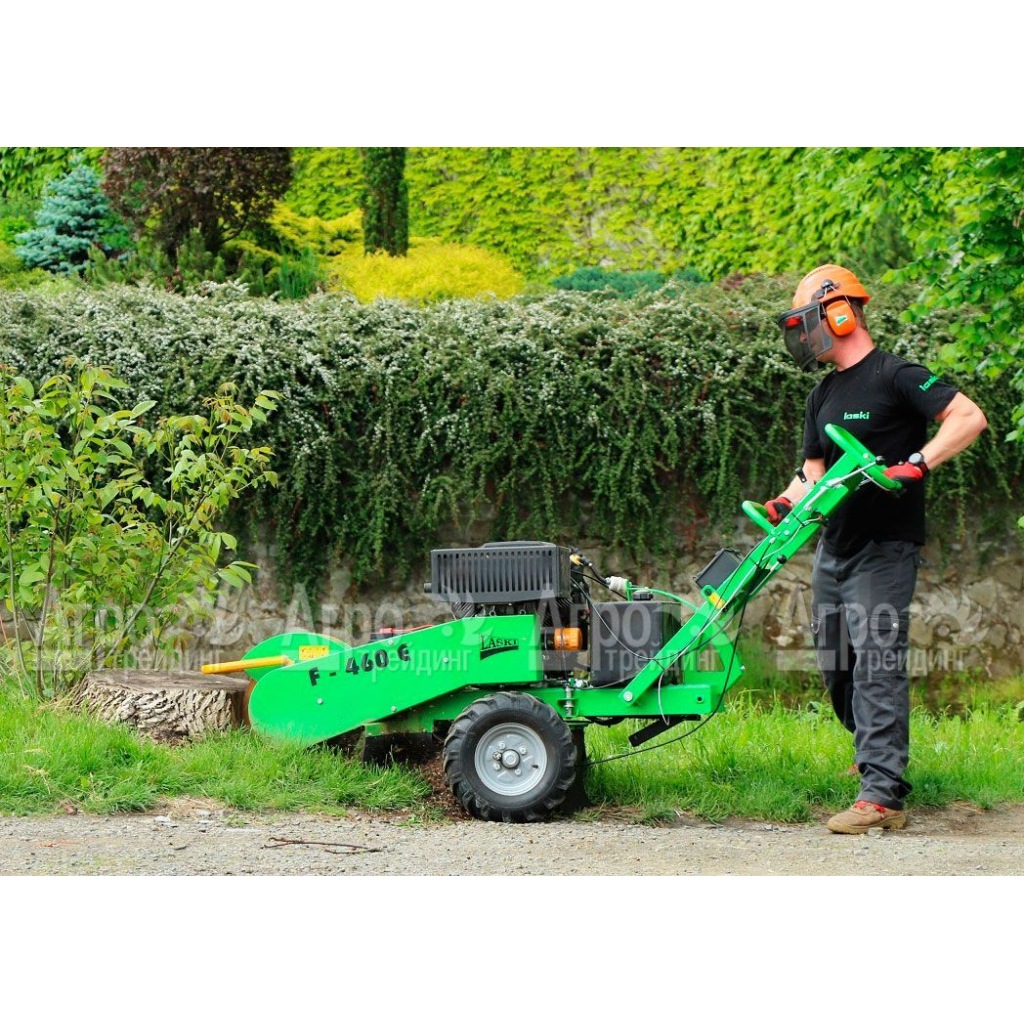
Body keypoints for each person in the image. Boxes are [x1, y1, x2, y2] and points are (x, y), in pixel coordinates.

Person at [766, 264, 987, 834]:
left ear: (841, 314)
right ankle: (871, 754)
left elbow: (968, 417)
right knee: (837, 665)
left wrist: (917, 463)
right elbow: (813, 472)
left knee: (877, 664)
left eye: (808, 322)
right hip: (834, 548)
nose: (803, 335)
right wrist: (786, 501)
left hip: (885, 547)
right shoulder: (822, 393)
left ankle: (883, 795)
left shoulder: (896, 376)